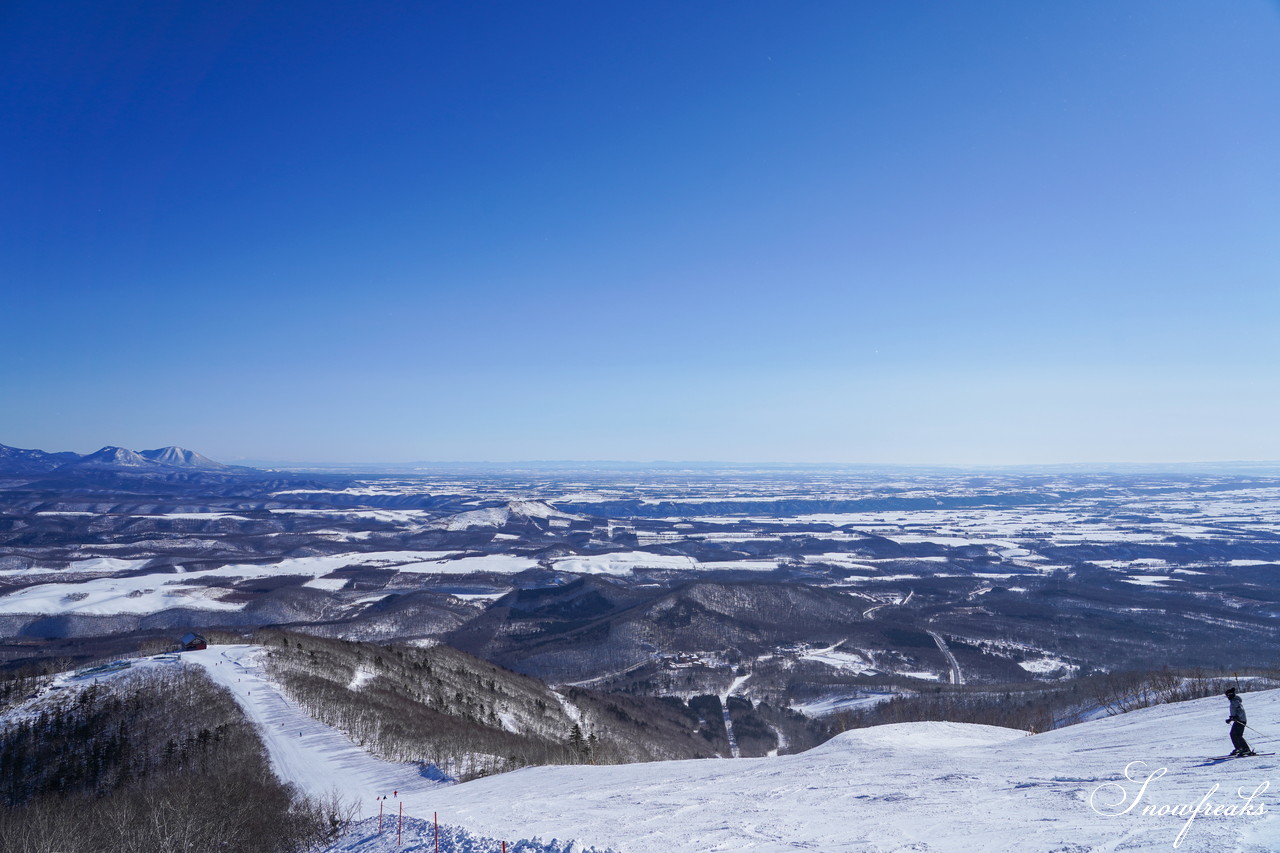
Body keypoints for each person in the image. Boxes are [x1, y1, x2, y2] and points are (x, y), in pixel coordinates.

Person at [1225, 687, 1255, 756]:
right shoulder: (1233, 701)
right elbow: (1235, 712)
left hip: (1241, 720)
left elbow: (1241, 711)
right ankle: (1239, 748)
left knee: (1238, 735)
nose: (1227, 697)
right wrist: (1231, 718)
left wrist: (1236, 717)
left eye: (1228, 695)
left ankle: (1246, 749)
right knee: (1233, 734)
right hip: (1238, 720)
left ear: (1230, 695)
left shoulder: (1235, 701)